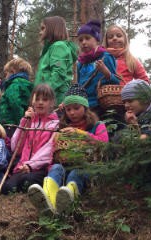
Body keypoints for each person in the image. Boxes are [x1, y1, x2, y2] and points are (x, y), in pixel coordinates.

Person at [28, 84, 109, 215]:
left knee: (76, 173)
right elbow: (53, 150)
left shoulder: (97, 125)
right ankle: (48, 202)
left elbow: (104, 143)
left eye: (76, 108)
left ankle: (68, 201)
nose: (72, 113)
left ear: (85, 107)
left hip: (87, 167)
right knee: (55, 169)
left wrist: (80, 134)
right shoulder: (62, 126)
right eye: (68, 109)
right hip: (64, 165)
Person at [1, 84, 59, 194]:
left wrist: (31, 165)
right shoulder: (29, 122)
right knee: (7, 188)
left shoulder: (55, 125)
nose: (40, 102)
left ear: (51, 103)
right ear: (32, 101)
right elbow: (15, 147)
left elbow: (49, 150)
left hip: (41, 168)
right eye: (37, 99)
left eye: (45, 100)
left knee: (27, 181)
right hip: (22, 166)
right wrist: (24, 121)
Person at [76, 20, 120, 115]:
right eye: (80, 40)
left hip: (102, 106)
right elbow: (79, 85)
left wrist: (106, 72)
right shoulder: (81, 63)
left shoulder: (106, 57)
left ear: (96, 39)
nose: (83, 42)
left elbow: (117, 82)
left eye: (87, 38)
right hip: (85, 107)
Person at [34, 16, 77, 105]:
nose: (40, 32)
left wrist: (43, 95)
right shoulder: (50, 49)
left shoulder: (58, 46)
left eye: (43, 28)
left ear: (52, 28)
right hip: (48, 100)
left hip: (55, 100)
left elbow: (58, 74)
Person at [0, 57, 34, 138]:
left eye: (6, 73)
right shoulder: (27, 85)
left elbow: (14, 102)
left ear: (12, 71)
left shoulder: (14, 85)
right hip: (19, 124)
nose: (5, 76)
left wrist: (21, 121)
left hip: (10, 124)